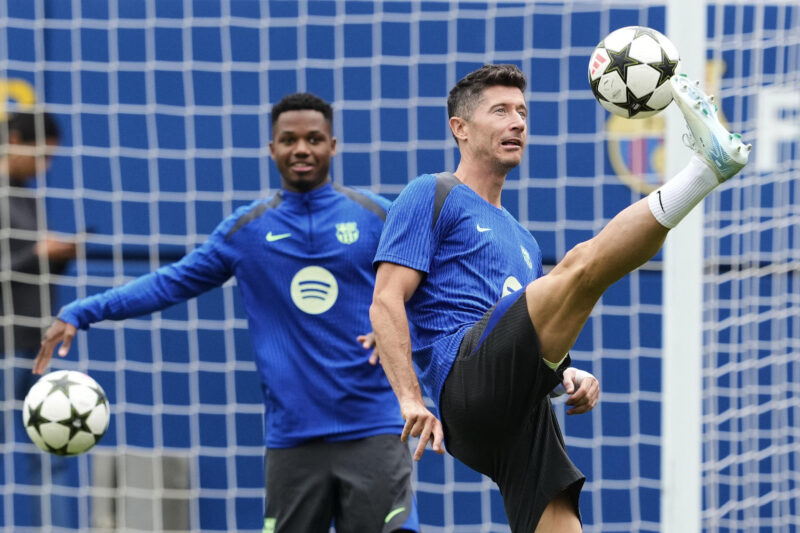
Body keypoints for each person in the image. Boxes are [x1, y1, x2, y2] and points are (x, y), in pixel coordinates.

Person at [370, 65, 750, 532]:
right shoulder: (431, 192)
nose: (517, 123)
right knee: (583, 268)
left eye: (522, 112)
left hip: (516, 413)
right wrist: (410, 399)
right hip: (464, 379)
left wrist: (565, 374)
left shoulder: (526, 243)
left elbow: (525, 329)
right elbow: (385, 300)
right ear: (460, 128)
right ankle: (705, 170)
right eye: (500, 111)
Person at [34, 93, 419, 532]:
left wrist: (398, 324)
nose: (301, 149)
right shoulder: (247, 231)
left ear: (332, 146)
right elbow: (169, 282)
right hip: (294, 440)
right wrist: (82, 310)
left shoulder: (378, 217)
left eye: (313, 139)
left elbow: (433, 278)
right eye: (289, 140)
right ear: (272, 148)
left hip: (374, 430)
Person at [0, 110, 78, 528]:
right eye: (41, 155)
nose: (45, 167)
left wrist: (57, 257)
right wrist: (37, 254)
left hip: (36, 345)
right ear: (15, 140)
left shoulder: (26, 195)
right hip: (4, 346)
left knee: (50, 451)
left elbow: (32, 271)